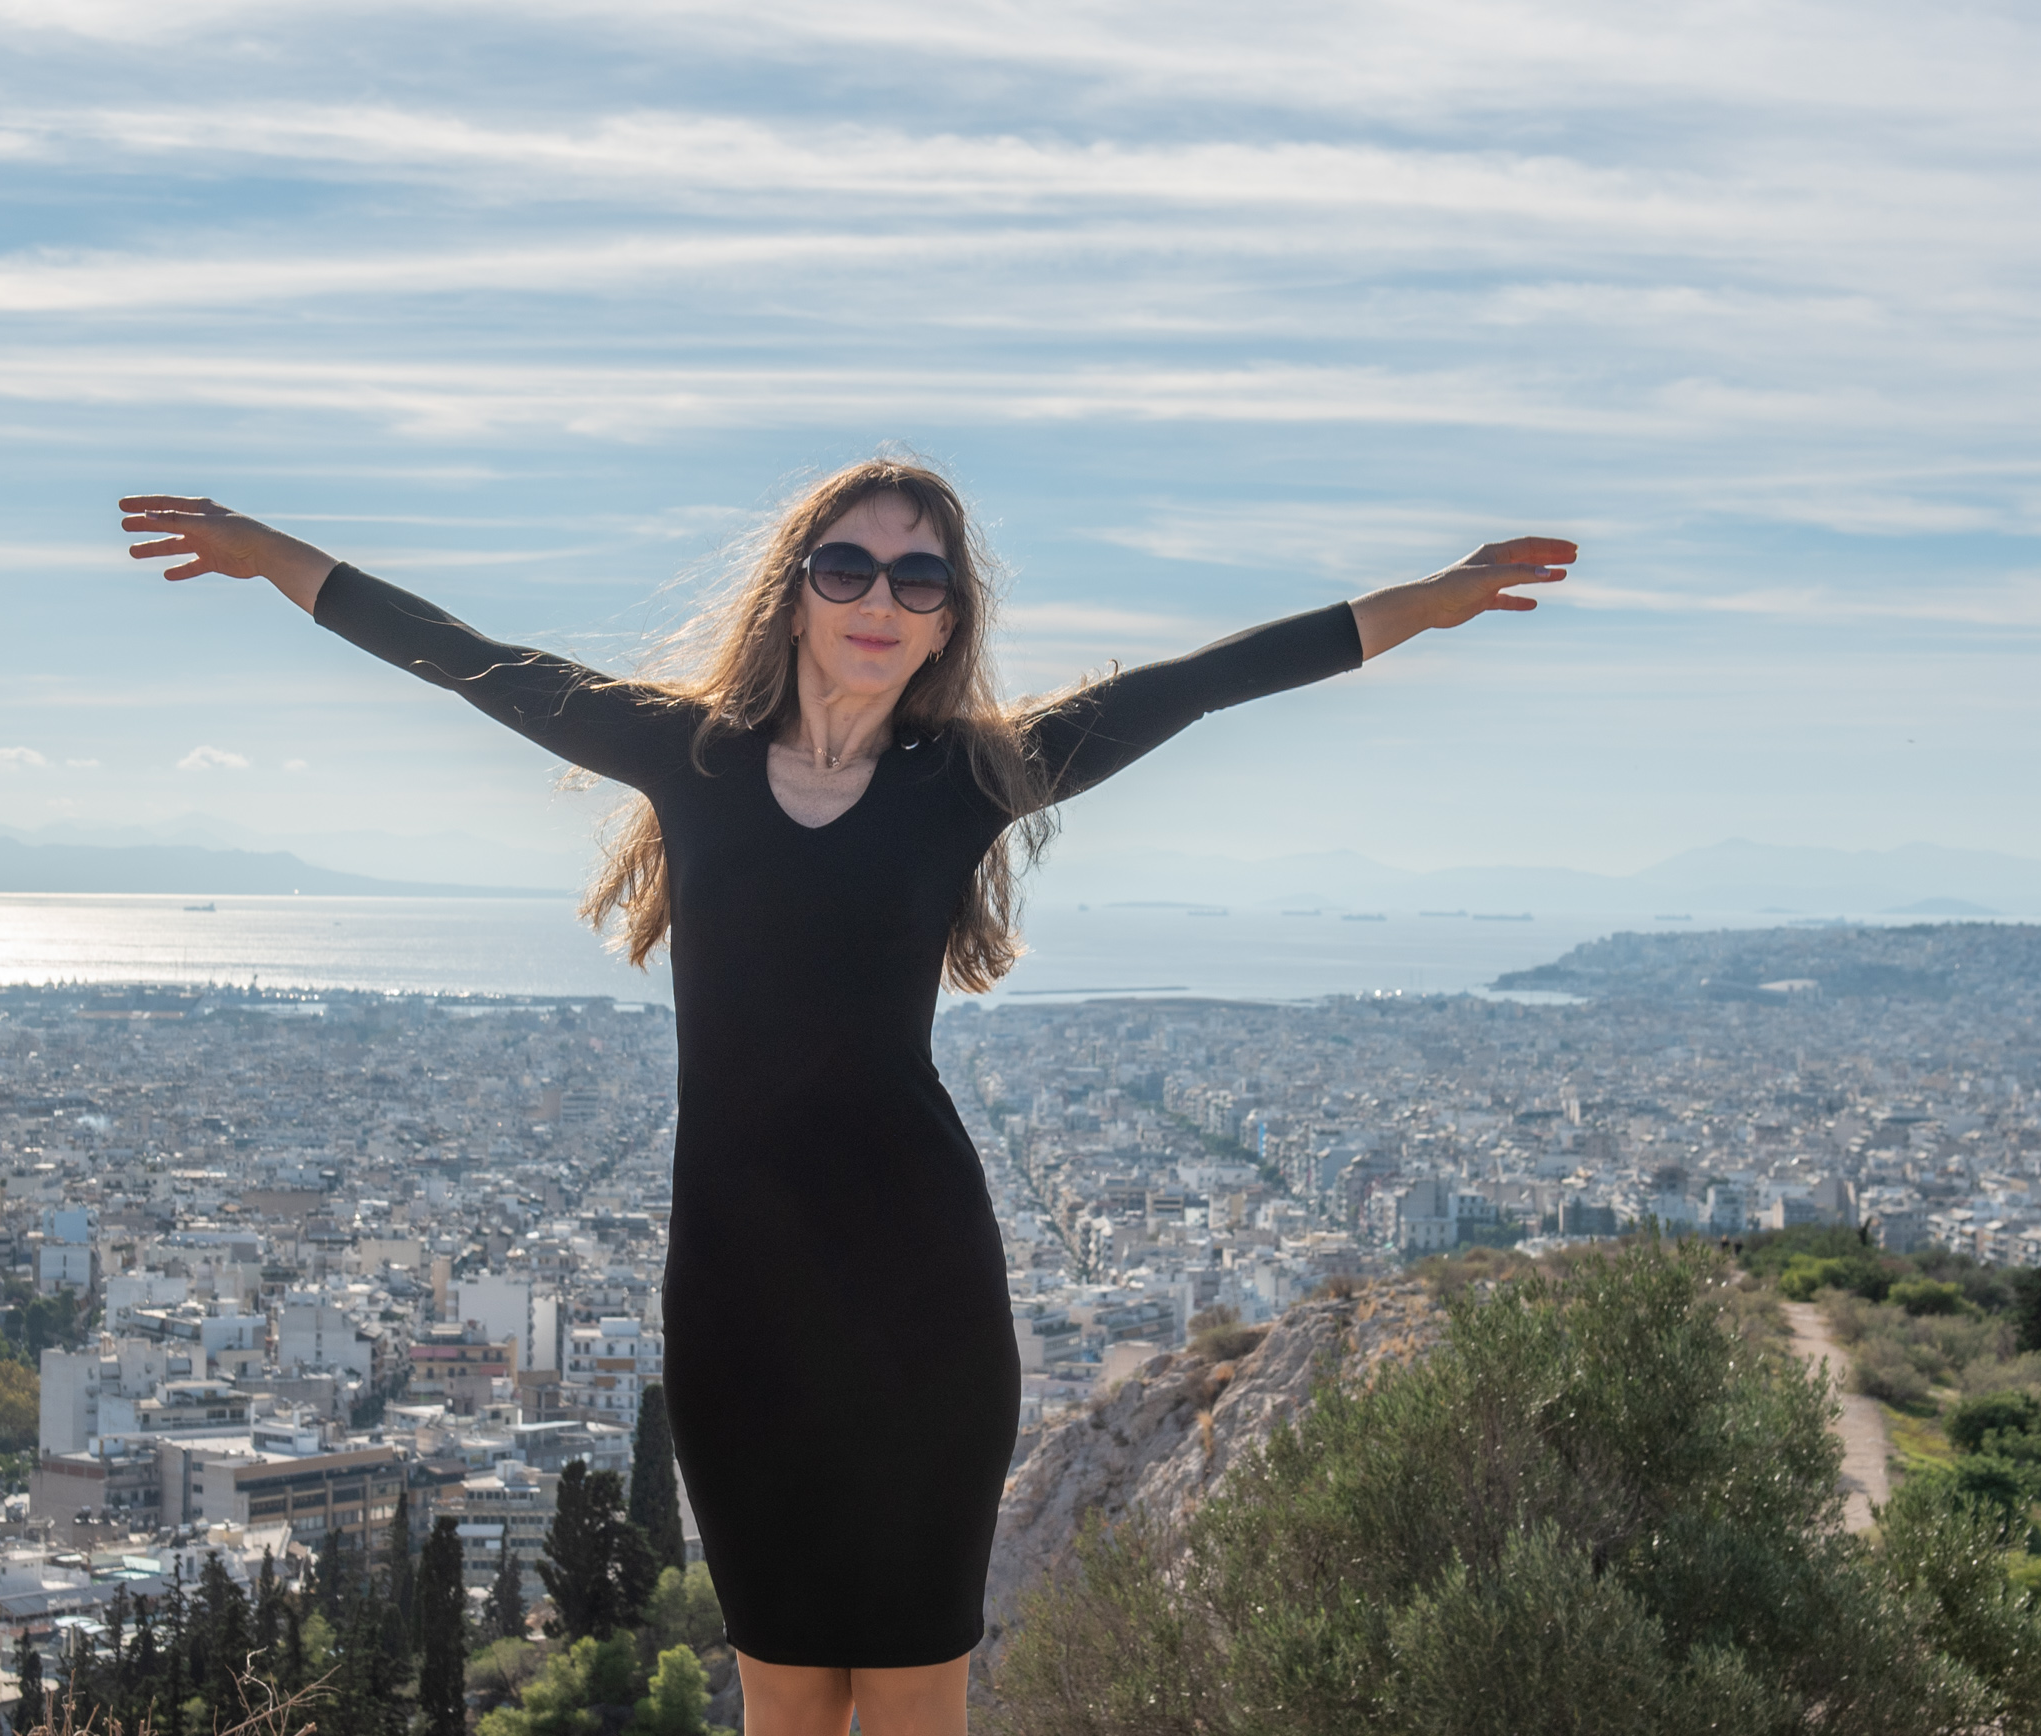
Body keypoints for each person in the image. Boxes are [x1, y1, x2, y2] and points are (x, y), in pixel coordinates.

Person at [118, 461, 1573, 1736]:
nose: (881, 595)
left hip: (920, 1293)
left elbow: (1187, 687)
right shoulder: (684, 756)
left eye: (919, 575)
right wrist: (270, 556)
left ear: (948, 619)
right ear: (797, 592)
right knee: (789, 1694)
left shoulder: (971, 780)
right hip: (740, 1299)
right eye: (849, 564)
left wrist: (1428, 602)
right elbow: (467, 658)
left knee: (916, 1689)